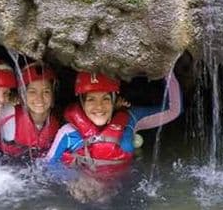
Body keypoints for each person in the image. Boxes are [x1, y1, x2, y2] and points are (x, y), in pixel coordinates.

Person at [43, 69, 181, 189]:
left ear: (114, 100)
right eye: (91, 99)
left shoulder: (130, 119)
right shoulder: (67, 133)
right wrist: (76, 179)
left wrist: (167, 70)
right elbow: (47, 167)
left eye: (106, 99)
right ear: (82, 103)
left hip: (126, 191)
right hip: (85, 196)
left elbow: (173, 110)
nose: (99, 106)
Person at [0, 62, 60, 160]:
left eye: (46, 91)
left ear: (53, 95)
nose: (39, 98)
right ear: (23, 95)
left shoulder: (59, 123)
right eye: (32, 92)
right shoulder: (7, 116)